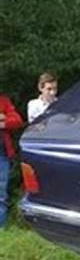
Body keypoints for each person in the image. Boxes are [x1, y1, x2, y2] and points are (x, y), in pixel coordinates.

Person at [0, 95, 23, 227]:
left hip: (1, 155)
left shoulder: (3, 100)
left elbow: (17, 121)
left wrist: (2, 122)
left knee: (1, 194)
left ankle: (1, 229)